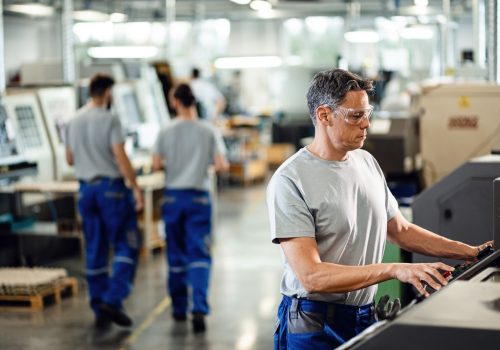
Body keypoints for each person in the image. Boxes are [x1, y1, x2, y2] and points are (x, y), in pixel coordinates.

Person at [266, 68, 492, 349]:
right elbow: (312, 276)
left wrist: (471, 252)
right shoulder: (291, 180)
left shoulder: (366, 162)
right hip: (314, 323)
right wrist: (394, 269)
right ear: (324, 115)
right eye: (356, 116)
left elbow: (400, 229)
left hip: (364, 313)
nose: (366, 124)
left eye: (367, 113)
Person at [65, 73, 144, 329]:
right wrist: (135, 186)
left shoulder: (73, 120)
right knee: (127, 244)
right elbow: (120, 157)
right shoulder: (110, 119)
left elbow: (69, 159)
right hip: (111, 190)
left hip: (86, 189)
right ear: (108, 93)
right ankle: (114, 298)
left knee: (96, 246)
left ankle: (99, 305)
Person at [152, 83, 229, 333]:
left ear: (175, 102)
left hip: (173, 197)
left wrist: (175, 165)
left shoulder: (166, 130)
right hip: (199, 198)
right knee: (200, 254)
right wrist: (201, 167)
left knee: (175, 255)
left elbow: (155, 165)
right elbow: (221, 165)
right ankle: (198, 307)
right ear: (194, 102)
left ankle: (178, 308)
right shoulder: (208, 131)